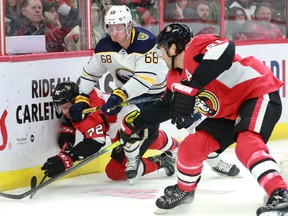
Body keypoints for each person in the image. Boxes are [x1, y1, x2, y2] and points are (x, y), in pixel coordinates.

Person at [132, 22, 286, 215]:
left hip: (255, 92)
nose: (160, 55)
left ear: (173, 47)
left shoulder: (196, 46)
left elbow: (226, 50)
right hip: (227, 113)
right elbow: (167, 107)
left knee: (247, 145)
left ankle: (279, 193)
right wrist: (135, 123)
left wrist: (194, 85)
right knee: (190, 147)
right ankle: (185, 191)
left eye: (162, 49)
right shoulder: (173, 78)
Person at [68, 5, 172, 183]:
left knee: (135, 131)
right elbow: (90, 74)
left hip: (153, 99)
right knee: (115, 172)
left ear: (129, 26)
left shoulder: (146, 42)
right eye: (110, 28)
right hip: (128, 98)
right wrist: (82, 98)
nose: (114, 33)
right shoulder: (104, 46)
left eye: (119, 28)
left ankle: (148, 157)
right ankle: (165, 151)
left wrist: (119, 95)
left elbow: (145, 79)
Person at [41, 81, 177, 182]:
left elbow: (95, 142)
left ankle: (163, 160)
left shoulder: (90, 113)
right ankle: (174, 145)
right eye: (61, 108)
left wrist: (67, 158)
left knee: (116, 172)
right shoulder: (80, 101)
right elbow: (72, 121)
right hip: (122, 128)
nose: (65, 112)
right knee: (145, 143)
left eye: (65, 107)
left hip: (134, 126)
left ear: (75, 100)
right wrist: (67, 137)